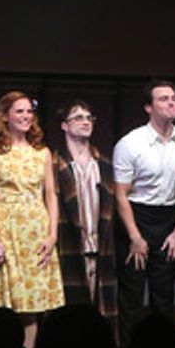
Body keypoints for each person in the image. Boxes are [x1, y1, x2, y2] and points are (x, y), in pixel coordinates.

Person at [0, 91, 64, 348]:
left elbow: (50, 195)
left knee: (32, 305)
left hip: (36, 229)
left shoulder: (42, 153)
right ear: (5, 116)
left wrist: (52, 235)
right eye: (19, 111)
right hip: (7, 228)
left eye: (29, 111)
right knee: (8, 305)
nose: (26, 116)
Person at [112, 80, 175, 348]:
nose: (171, 103)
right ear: (149, 107)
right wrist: (135, 237)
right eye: (163, 99)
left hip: (168, 216)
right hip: (135, 216)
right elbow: (120, 194)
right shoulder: (131, 143)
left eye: (174, 98)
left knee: (164, 297)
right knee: (132, 297)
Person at [53, 99, 118, 333]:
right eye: (78, 117)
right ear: (64, 125)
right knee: (69, 318)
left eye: (89, 118)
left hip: (101, 249)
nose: (86, 122)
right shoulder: (54, 164)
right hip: (68, 247)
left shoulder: (104, 165)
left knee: (101, 318)